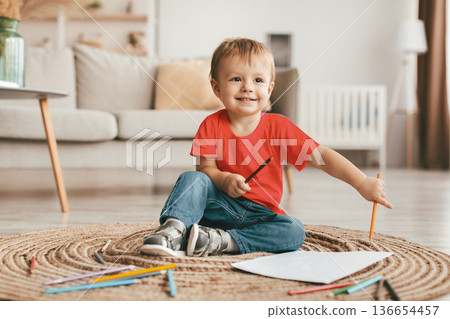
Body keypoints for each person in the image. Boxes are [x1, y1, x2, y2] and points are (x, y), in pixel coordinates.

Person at [141, 38, 393, 258]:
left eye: (258, 80)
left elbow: (322, 157)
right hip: (217, 209)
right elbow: (206, 170)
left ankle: (220, 241)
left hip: (260, 216)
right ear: (217, 87)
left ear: (269, 88)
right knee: (192, 178)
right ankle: (172, 230)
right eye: (236, 79)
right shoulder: (211, 125)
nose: (248, 87)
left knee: (293, 231)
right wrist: (224, 179)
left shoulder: (279, 128)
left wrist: (361, 182)